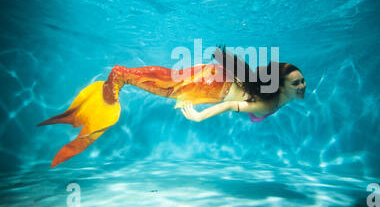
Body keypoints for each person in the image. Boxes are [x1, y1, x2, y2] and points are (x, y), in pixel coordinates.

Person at [38, 47, 306, 167]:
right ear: (280, 86)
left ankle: (122, 77)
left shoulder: (274, 98)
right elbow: (233, 106)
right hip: (215, 85)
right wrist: (200, 117)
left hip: (217, 80)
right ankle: (120, 76)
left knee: (167, 80)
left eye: (302, 81)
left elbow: (239, 100)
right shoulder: (270, 101)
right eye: (296, 82)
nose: (303, 85)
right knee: (165, 84)